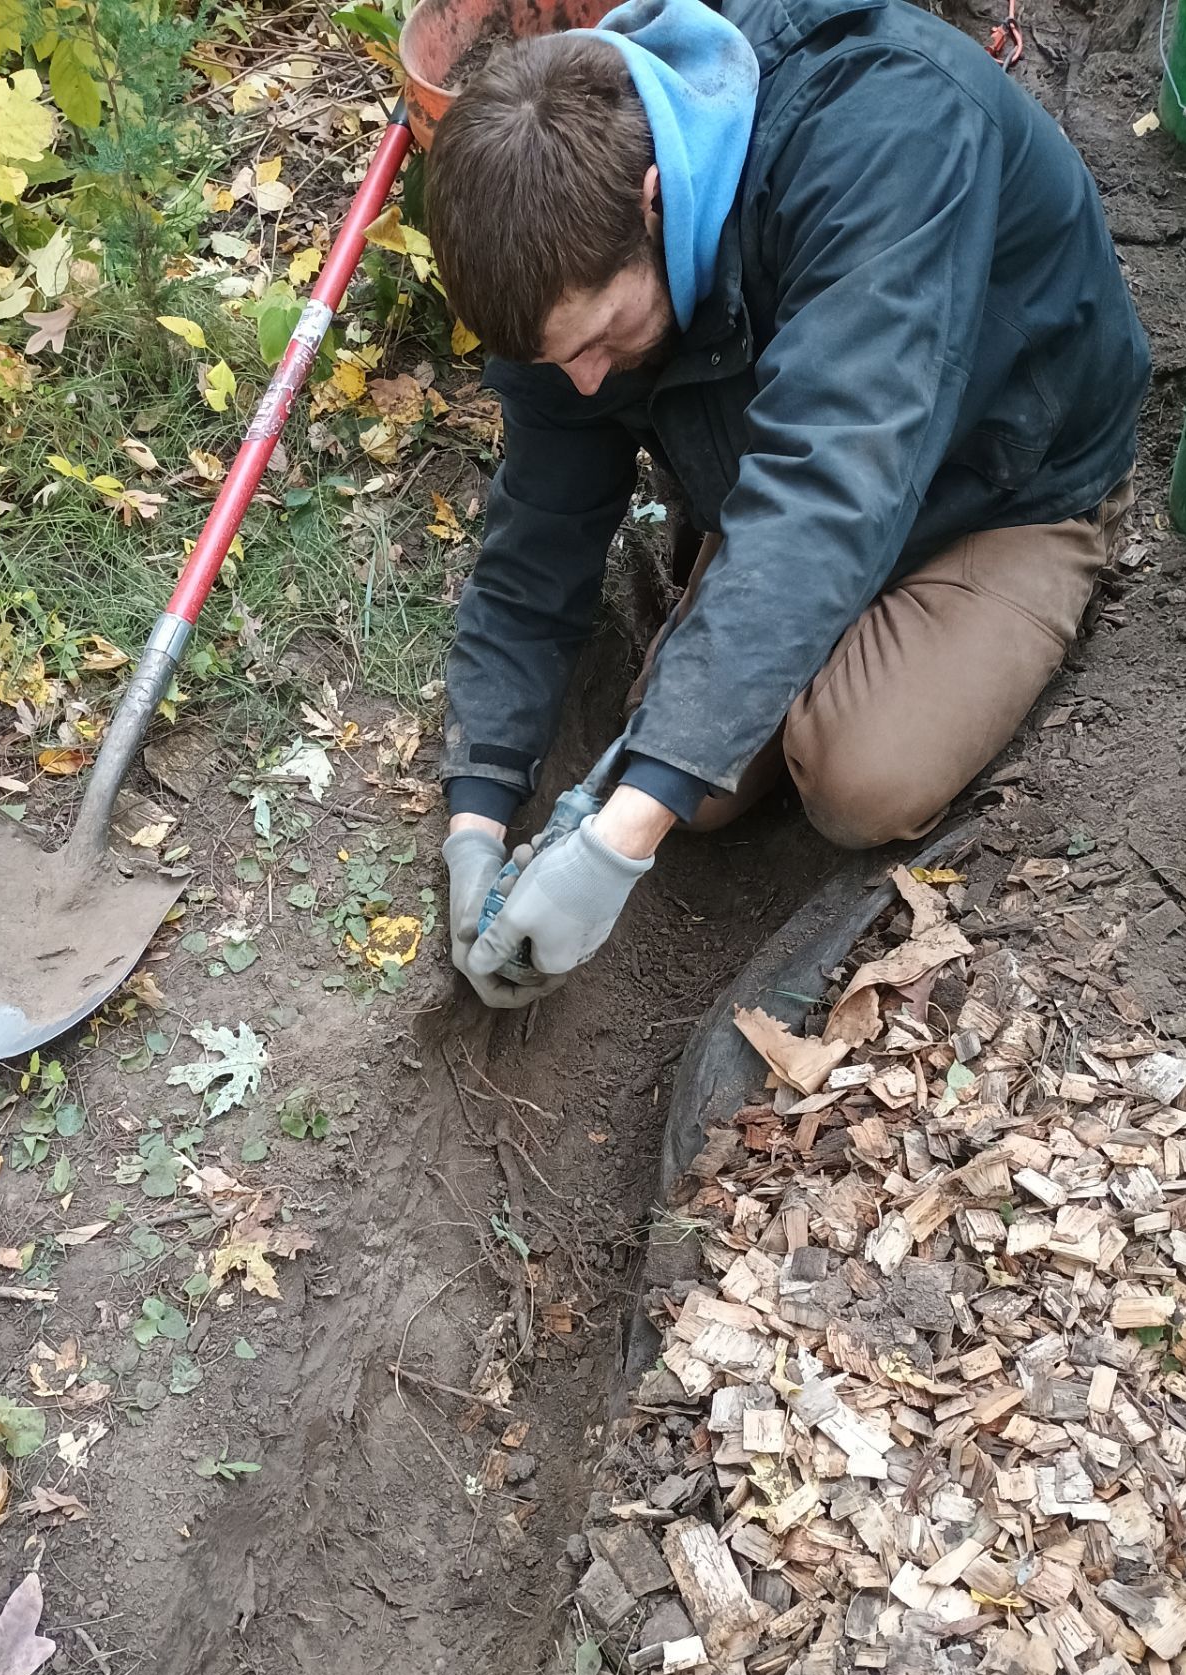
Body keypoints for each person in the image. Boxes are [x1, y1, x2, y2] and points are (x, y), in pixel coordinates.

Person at [427, 0, 1149, 1009]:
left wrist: (618, 841)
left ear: (650, 200)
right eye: (561, 359)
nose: (586, 382)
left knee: (857, 776)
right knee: (699, 793)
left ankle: (1046, 574)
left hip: (1003, 477)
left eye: (601, 339)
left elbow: (831, 488)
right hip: (788, 465)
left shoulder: (884, 129)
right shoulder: (563, 274)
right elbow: (535, 542)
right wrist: (477, 819)